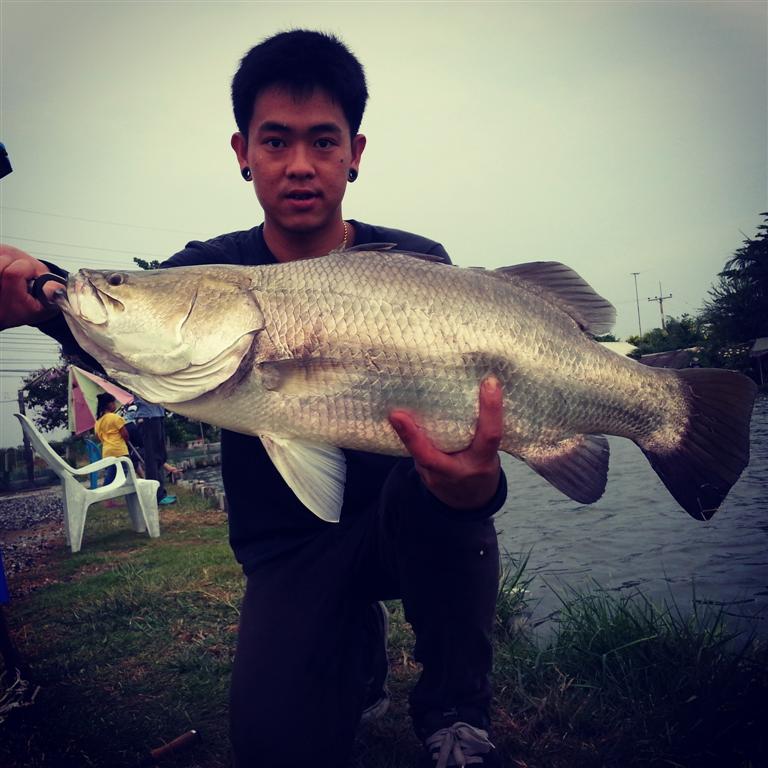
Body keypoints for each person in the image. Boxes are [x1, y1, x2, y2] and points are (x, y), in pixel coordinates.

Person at [0, 30, 506, 768]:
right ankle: (351, 656)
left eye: (322, 141)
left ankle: (457, 711)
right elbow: (136, 336)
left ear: (355, 152)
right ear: (242, 151)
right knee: (274, 749)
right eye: (275, 141)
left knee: (455, 498)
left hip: (415, 522)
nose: (299, 165)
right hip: (289, 550)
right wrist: (50, 294)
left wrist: (479, 484)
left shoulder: (418, 266)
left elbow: (478, 400)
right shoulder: (208, 270)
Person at [131, 397, 177, 505]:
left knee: (160, 456)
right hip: (147, 417)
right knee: (152, 458)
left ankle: (161, 493)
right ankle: (156, 496)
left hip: (157, 414)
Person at [93, 394, 130, 503]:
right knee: (124, 473)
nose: (115, 405)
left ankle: (108, 499)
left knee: (111, 475)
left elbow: (98, 437)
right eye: (113, 403)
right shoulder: (115, 418)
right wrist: (127, 441)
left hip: (107, 451)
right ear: (108, 405)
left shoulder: (98, 422)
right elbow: (125, 434)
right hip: (119, 450)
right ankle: (123, 496)